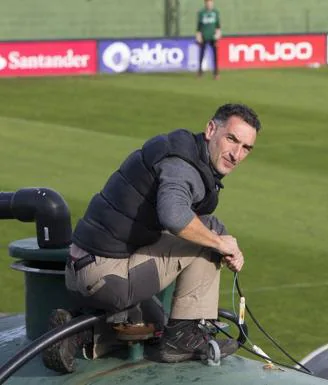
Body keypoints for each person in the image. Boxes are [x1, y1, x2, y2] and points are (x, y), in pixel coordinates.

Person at [42, 103, 261, 373]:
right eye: (232, 139)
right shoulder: (184, 167)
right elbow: (173, 215)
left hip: (83, 268)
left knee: (153, 326)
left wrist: (228, 242)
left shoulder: (181, 149)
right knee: (206, 245)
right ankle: (183, 338)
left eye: (246, 148)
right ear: (211, 129)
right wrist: (219, 243)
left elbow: (203, 222)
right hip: (106, 277)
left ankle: (78, 335)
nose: (236, 154)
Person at [196, 0, 222, 79]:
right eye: (208, 2)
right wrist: (198, 36)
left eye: (211, 2)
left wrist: (218, 35)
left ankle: (216, 73)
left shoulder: (215, 12)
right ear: (205, 3)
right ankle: (200, 72)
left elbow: (218, 26)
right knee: (201, 55)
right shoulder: (201, 13)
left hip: (213, 37)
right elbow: (199, 27)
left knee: (215, 56)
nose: (209, 4)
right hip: (204, 36)